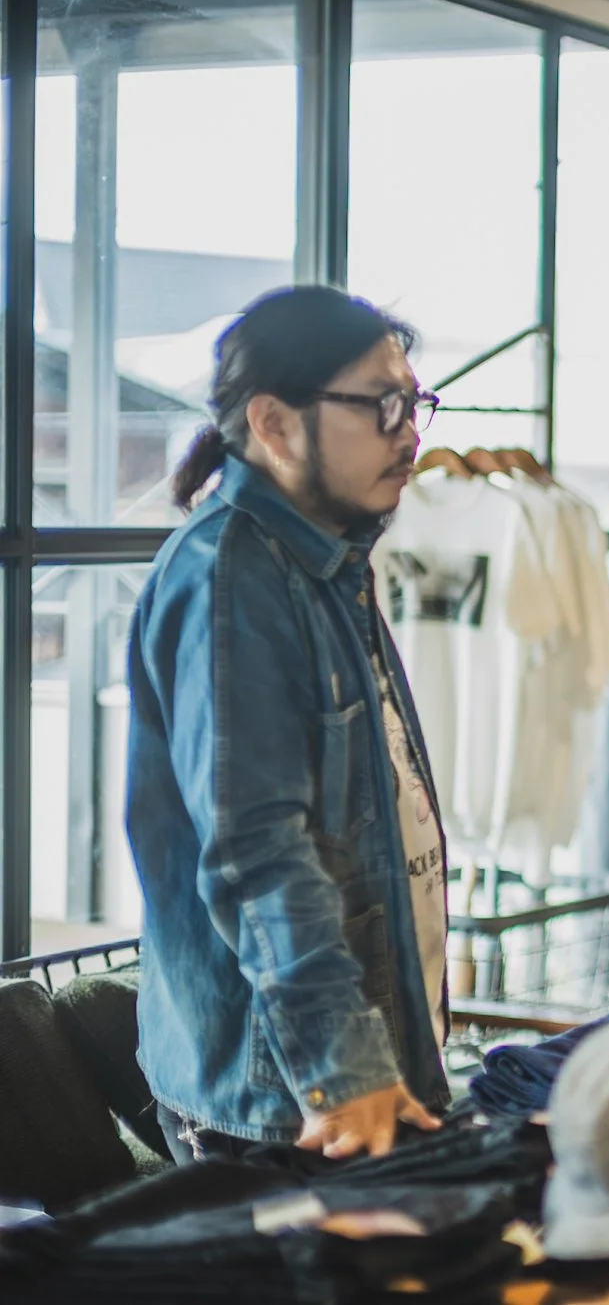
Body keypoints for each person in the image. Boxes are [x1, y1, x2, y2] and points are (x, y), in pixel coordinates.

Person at [126, 287, 451, 1163]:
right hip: (290, 1103)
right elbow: (257, 850)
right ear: (273, 423)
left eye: (415, 401)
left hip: (356, 1073)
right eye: (380, 405)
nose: (409, 432)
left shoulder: (328, 561)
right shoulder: (232, 580)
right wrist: (343, 1065)